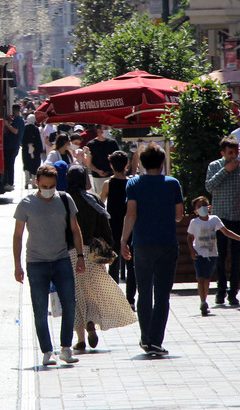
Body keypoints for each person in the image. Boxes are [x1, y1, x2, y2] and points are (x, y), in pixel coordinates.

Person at [13, 164, 85, 366]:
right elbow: (18, 236)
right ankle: (46, 350)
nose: (48, 189)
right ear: (37, 182)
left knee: (70, 304)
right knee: (39, 308)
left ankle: (66, 348)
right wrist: (17, 266)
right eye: (44, 185)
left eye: (52, 185)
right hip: (36, 263)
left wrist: (80, 256)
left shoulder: (64, 199)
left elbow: (75, 229)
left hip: (61, 259)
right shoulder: (26, 204)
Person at [120, 143, 183, 356]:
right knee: (163, 294)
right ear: (163, 162)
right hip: (167, 243)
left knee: (144, 292)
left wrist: (123, 240)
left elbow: (131, 215)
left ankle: (146, 338)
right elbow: (179, 215)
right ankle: (156, 340)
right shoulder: (173, 183)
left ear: (142, 164)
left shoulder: (134, 184)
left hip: (142, 243)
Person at [64, 166, 136, 352]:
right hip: (93, 253)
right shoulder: (94, 199)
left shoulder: (63, 199)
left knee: (76, 295)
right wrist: (110, 248)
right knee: (92, 293)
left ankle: (80, 338)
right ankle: (90, 321)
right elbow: (106, 225)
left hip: (71, 252)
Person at [204, 137, 240, 306]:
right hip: (220, 218)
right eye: (230, 153)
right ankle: (220, 291)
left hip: (238, 216)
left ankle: (234, 292)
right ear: (223, 153)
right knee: (220, 256)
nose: (233, 156)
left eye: (235, 152)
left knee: (236, 257)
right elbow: (209, 186)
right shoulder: (214, 166)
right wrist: (226, 170)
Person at [187, 196, 240, 316]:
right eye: (199, 206)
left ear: (209, 207)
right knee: (200, 278)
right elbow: (189, 238)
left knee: (207, 279)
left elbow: (226, 231)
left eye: (204, 205)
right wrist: (192, 250)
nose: (202, 208)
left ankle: (205, 298)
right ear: (195, 211)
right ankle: (203, 301)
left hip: (212, 254)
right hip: (199, 254)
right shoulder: (194, 223)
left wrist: (239, 238)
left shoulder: (214, 220)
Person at [100, 151, 135, 306]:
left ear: (111, 165)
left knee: (113, 264)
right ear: (126, 165)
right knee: (131, 264)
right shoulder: (132, 183)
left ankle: (115, 299)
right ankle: (131, 300)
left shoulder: (108, 184)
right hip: (130, 226)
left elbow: (100, 203)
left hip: (113, 227)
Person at [84, 125, 119, 196]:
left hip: (112, 175)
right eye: (105, 128)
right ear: (98, 131)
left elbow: (117, 158)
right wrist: (97, 170)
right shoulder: (91, 144)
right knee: (100, 197)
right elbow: (89, 163)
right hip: (98, 177)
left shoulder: (112, 143)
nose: (108, 130)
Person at [3, 104, 25, 191]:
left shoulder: (18, 120)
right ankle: (9, 182)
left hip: (12, 146)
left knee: (10, 164)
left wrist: (7, 125)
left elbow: (15, 131)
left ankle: (10, 183)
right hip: (13, 145)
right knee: (9, 164)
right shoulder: (18, 120)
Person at [21, 114, 44, 190]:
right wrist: (40, 150)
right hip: (35, 151)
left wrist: (27, 144)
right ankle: (34, 182)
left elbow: (22, 139)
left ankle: (27, 181)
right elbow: (38, 140)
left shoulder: (24, 128)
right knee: (35, 165)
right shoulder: (35, 129)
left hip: (26, 150)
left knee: (26, 165)